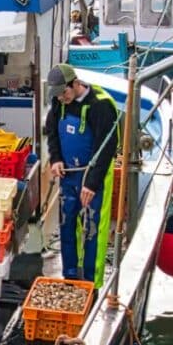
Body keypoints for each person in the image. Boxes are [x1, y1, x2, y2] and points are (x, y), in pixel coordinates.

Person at [45, 63, 120, 285]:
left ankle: (91, 282)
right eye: (57, 95)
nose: (61, 99)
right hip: (68, 176)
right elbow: (52, 131)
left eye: (64, 93)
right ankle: (69, 275)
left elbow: (106, 148)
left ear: (76, 84)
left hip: (93, 178)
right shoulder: (59, 102)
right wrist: (56, 158)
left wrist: (92, 184)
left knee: (93, 230)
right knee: (67, 225)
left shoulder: (101, 106)